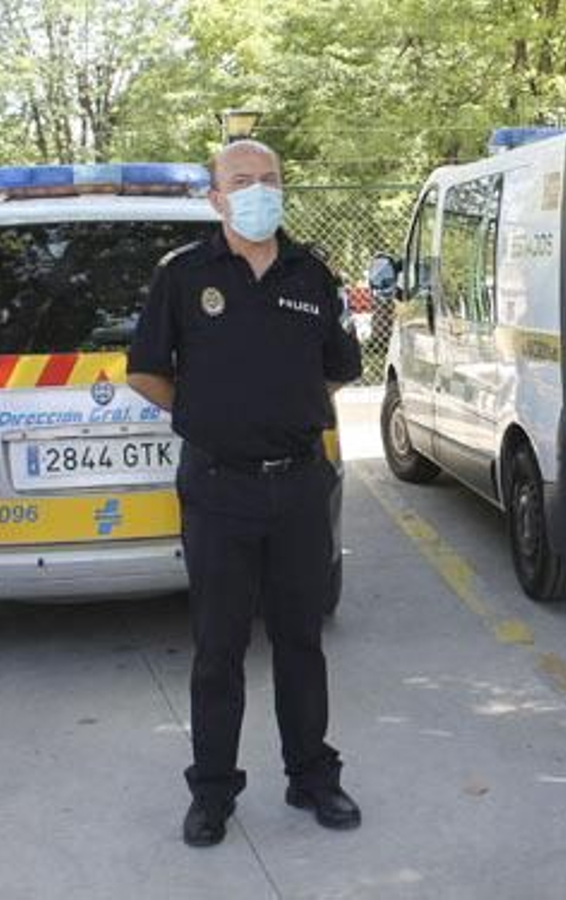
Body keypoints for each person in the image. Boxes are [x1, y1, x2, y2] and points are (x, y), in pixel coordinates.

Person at [127, 139, 363, 847]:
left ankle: (312, 776)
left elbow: (338, 368)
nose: (258, 191)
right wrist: (209, 419)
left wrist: (279, 416)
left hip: (297, 487)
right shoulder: (183, 274)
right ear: (216, 198)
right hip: (217, 488)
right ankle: (213, 791)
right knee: (218, 649)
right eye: (242, 181)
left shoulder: (312, 273)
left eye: (269, 180)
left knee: (300, 642)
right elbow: (146, 372)